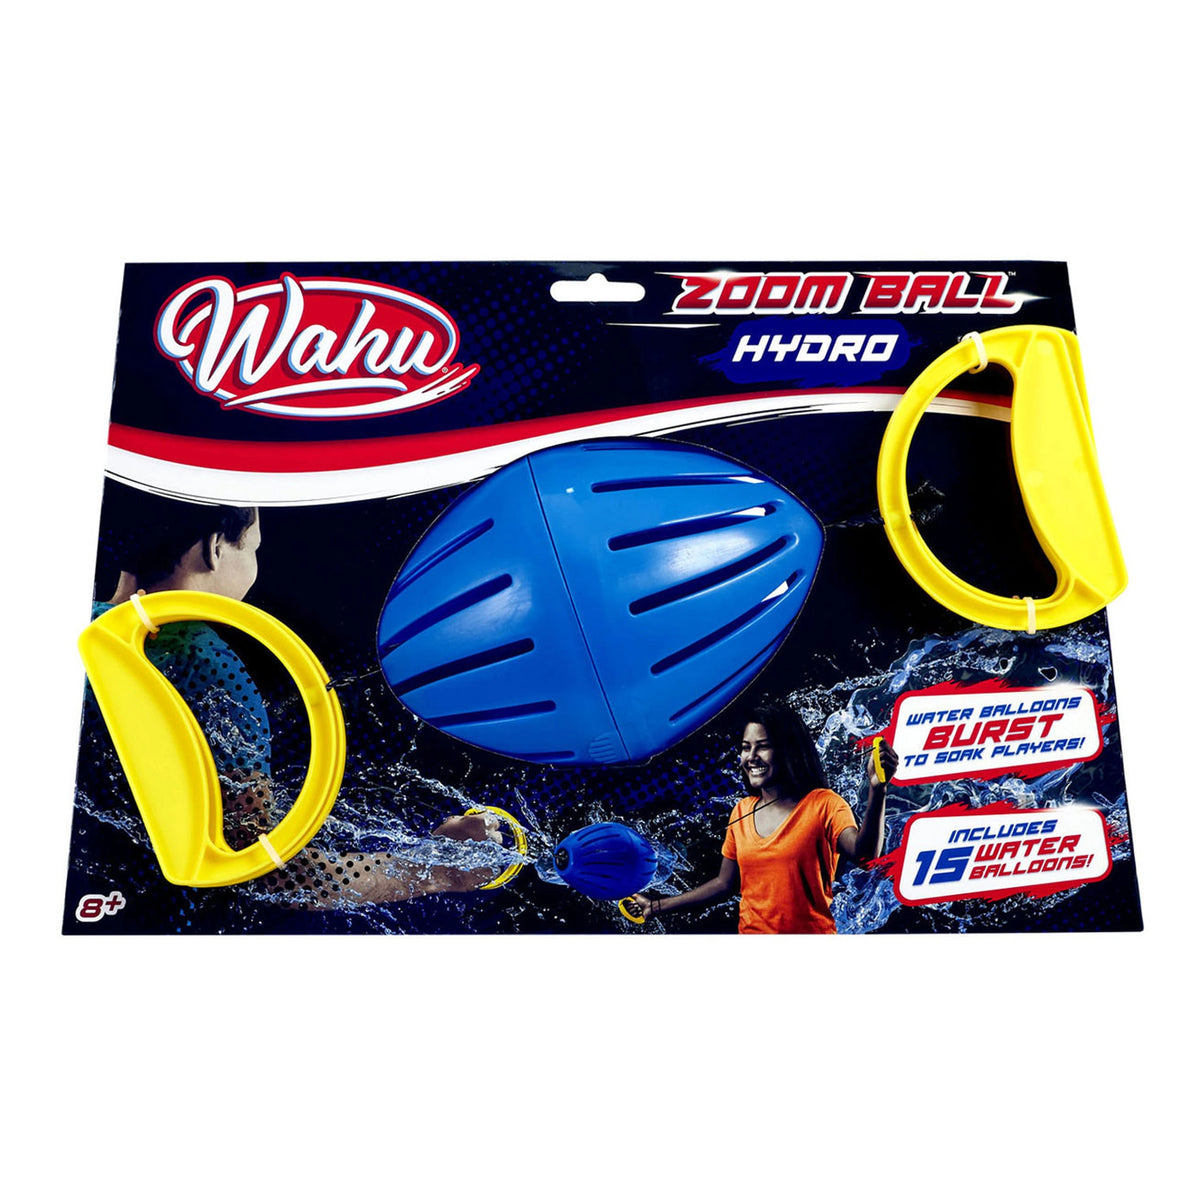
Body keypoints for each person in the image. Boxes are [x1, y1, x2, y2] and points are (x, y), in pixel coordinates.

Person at [89, 487, 506, 902]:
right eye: (253, 547)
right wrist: (435, 870)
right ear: (215, 549)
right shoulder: (204, 663)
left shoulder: (86, 631)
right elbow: (265, 869)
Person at [628, 701, 898, 934]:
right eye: (746, 747)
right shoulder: (741, 811)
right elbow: (724, 884)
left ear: (789, 751)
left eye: (763, 747)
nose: (751, 757)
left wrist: (877, 788)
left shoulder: (824, 803)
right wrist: (655, 906)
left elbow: (865, 856)